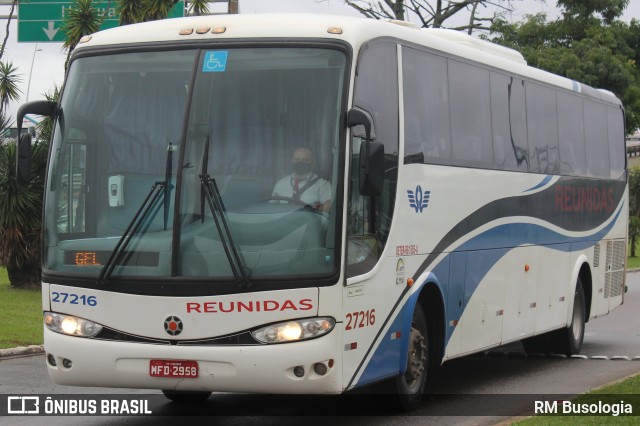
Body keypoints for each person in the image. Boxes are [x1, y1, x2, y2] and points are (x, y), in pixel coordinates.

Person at [272, 147, 332, 211]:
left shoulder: (323, 185)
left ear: (312, 163)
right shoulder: (281, 183)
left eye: (305, 160)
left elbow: (327, 208)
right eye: (297, 159)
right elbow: (272, 208)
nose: (300, 162)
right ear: (291, 161)